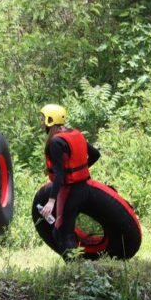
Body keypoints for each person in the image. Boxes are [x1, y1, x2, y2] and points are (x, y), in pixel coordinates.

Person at [38, 104, 101, 260]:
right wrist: (79, 171)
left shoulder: (55, 143)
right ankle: (78, 266)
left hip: (70, 192)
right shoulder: (75, 134)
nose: (41, 122)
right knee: (65, 230)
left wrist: (51, 201)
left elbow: (59, 174)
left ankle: (76, 270)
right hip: (84, 187)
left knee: (61, 232)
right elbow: (95, 154)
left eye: (43, 118)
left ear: (50, 120)